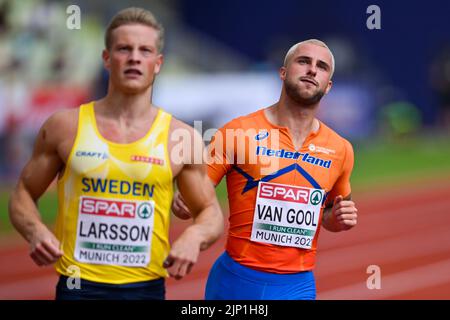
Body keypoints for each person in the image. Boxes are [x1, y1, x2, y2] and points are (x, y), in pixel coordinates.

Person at [8, 7, 223, 300]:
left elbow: (210, 212)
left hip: (145, 289)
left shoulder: (181, 137)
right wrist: (35, 231)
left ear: (157, 63)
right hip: (78, 288)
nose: (135, 57)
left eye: (145, 50)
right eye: (124, 48)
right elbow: (23, 192)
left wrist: (194, 236)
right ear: (107, 59)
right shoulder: (64, 127)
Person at [172, 39, 358, 300]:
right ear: (283, 73)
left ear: (328, 86)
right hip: (235, 282)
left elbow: (329, 214)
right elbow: (194, 195)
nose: (312, 70)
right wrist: (185, 201)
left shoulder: (341, 149)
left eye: (321, 66)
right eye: (303, 61)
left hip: (297, 286)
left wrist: (337, 220)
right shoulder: (237, 132)